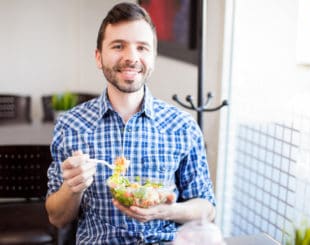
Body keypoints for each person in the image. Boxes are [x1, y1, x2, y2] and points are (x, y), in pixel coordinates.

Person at [45, 2, 216, 244]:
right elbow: (57, 217)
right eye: (118, 46)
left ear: (153, 58)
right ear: (98, 56)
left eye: (142, 48)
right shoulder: (71, 125)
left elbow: (207, 208)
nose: (131, 58)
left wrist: (166, 211)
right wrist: (73, 188)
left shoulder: (182, 126)